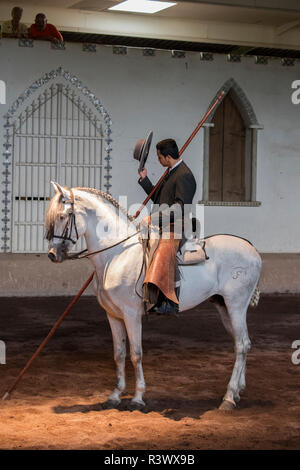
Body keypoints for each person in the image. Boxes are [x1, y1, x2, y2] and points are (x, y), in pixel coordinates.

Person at [138, 138, 196, 315]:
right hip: (164, 223)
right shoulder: (171, 172)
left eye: (159, 157)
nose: (158, 160)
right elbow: (159, 198)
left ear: (168, 156)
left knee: (164, 250)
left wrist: (153, 219)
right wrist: (145, 180)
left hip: (177, 226)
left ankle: (170, 301)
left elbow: (179, 208)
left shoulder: (184, 175)